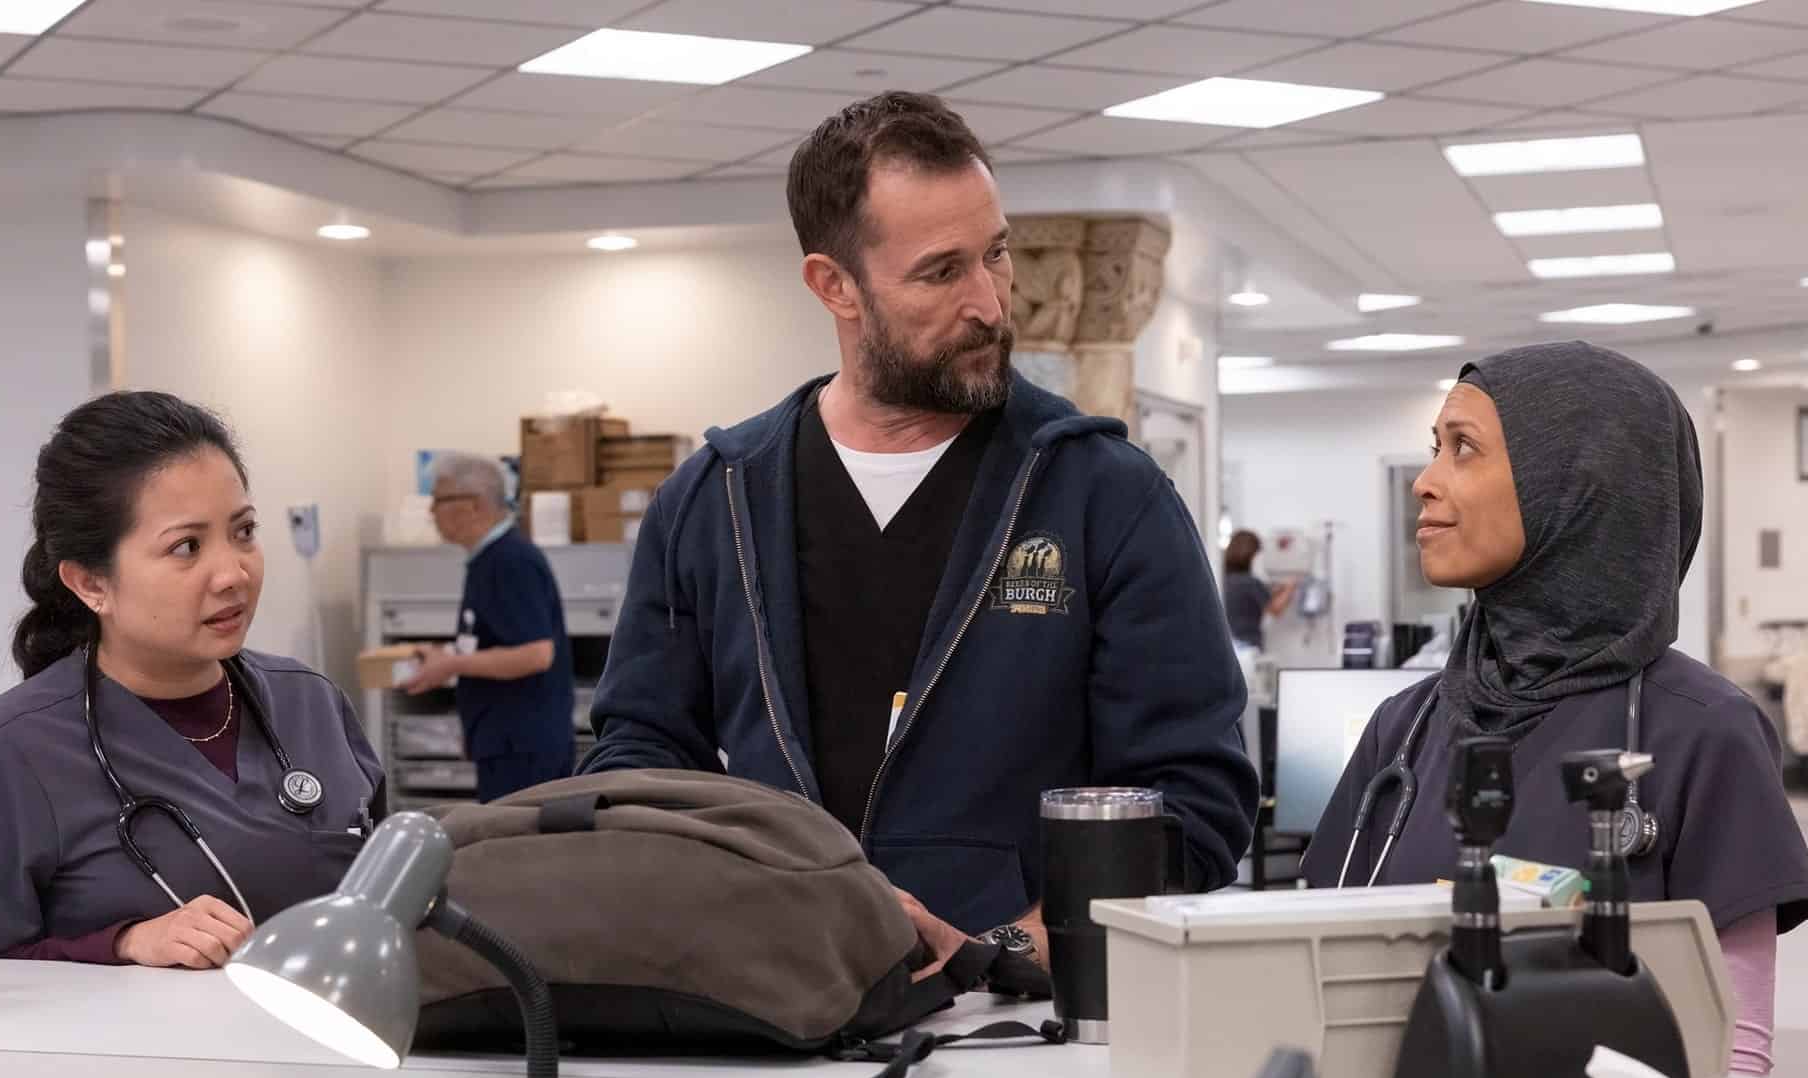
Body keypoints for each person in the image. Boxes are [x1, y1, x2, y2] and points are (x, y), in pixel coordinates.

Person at [583, 91, 1257, 972]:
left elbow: (1192, 798)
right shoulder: (716, 501)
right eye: (942, 272)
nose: (989, 303)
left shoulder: (1102, 495)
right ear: (835, 286)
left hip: (1019, 1031)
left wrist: (1008, 949)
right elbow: (638, 760)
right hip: (770, 995)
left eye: (998, 255)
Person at [1300, 342, 1808, 1076]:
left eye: (1464, 449)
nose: (1424, 483)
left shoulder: (1705, 731)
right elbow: (1315, 977)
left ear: (1577, 484)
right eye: (1434, 449)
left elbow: (1731, 1050)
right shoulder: (1404, 727)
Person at [0, 392, 385, 968]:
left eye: (244, 531)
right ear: (91, 584)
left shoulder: (310, 701)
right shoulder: (4, 752)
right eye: (187, 547)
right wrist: (122, 944)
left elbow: (388, 898)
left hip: (336, 1051)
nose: (234, 573)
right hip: (129, 1060)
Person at [403, 453, 574, 801]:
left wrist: (451, 665)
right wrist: (444, 656)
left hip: (524, 748)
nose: (431, 512)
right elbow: (495, 642)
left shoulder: (510, 561)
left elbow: (536, 655)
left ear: (474, 506)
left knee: (518, 851)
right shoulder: (488, 560)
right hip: (504, 743)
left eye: (439, 500)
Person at [1222, 530, 1296, 652]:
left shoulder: (1225, 579)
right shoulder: (1251, 582)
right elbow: (1275, 609)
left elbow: (1259, 598)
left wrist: (1279, 590)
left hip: (1231, 643)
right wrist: (1291, 588)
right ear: (1252, 554)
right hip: (1249, 646)